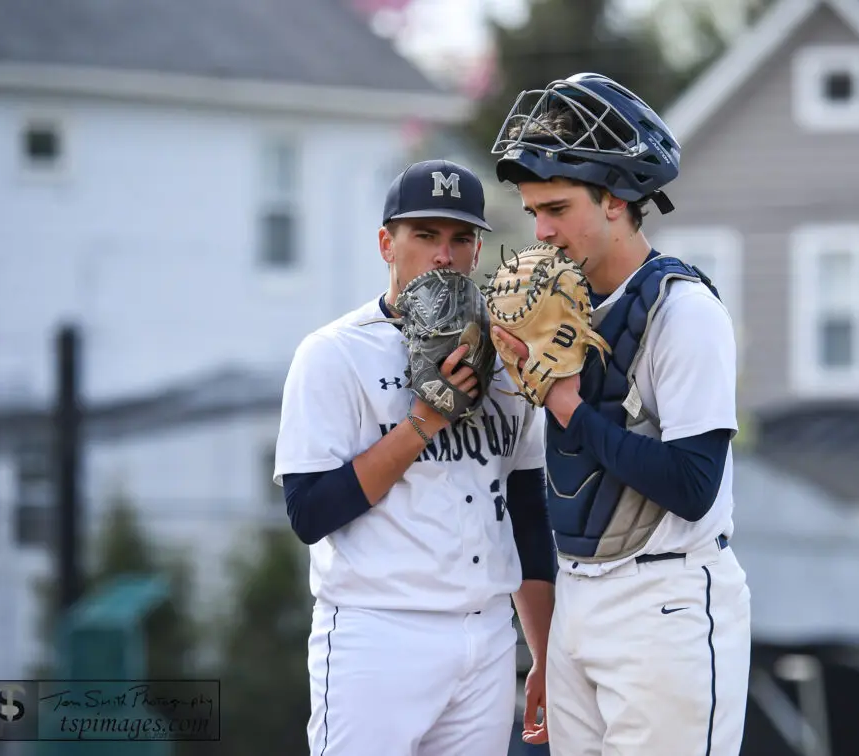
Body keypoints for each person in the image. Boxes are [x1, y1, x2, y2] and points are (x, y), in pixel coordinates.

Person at [490, 73, 752, 755]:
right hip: (578, 599)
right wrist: (547, 648)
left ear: (615, 199)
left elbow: (694, 488)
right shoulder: (553, 311)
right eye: (532, 210)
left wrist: (566, 403)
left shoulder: (683, 312)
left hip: (663, 601)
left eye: (556, 207)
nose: (540, 230)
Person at [273, 158, 556, 756]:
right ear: (387, 243)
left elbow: (527, 512)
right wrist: (426, 420)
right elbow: (309, 513)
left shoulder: (508, 357)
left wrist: (546, 655)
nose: (442, 255)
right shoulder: (333, 354)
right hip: (379, 634)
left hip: (486, 640)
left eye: (459, 238)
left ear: (477, 250)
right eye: (424, 235)